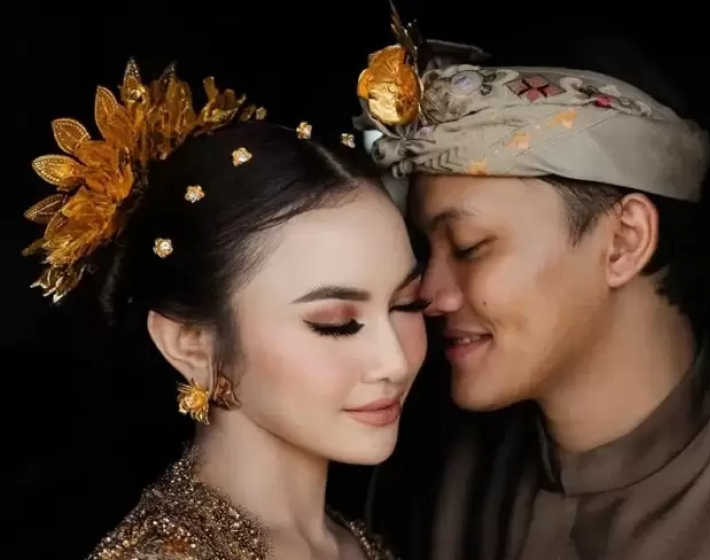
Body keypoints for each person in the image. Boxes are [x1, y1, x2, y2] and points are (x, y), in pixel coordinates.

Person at [353, 9, 710, 560]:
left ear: (625, 241)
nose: (430, 293)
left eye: (469, 246)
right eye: (426, 250)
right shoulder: (428, 479)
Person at [23, 59, 428, 559]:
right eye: (337, 324)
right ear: (191, 344)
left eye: (407, 304)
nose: (395, 361)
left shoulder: (358, 543)